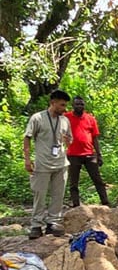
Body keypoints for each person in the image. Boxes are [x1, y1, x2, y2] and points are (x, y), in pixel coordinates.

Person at [23, 89, 73, 239]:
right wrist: (27, 159)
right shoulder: (37, 118)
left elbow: (70, 140)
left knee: (58, 195)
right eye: (62, 105)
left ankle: (52, 222)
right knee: (40, 194)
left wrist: (68, 141)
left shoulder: (65, 120)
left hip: (61, 163)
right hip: (42, 164)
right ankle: (36, 225)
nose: (65, 109)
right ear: (53, 103)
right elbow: (27, 138)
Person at [65, 96, 110, 208]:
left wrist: (99, 154)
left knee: (97, 179)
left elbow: (95, 138)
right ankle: (76, 205)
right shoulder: (66, 117)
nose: (80, 106)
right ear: (73, 105)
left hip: (89, 154)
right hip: (73, 154)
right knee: (73, 182)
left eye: (82, 104)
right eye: (77, 104)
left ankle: (105, 202)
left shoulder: (90, 118)